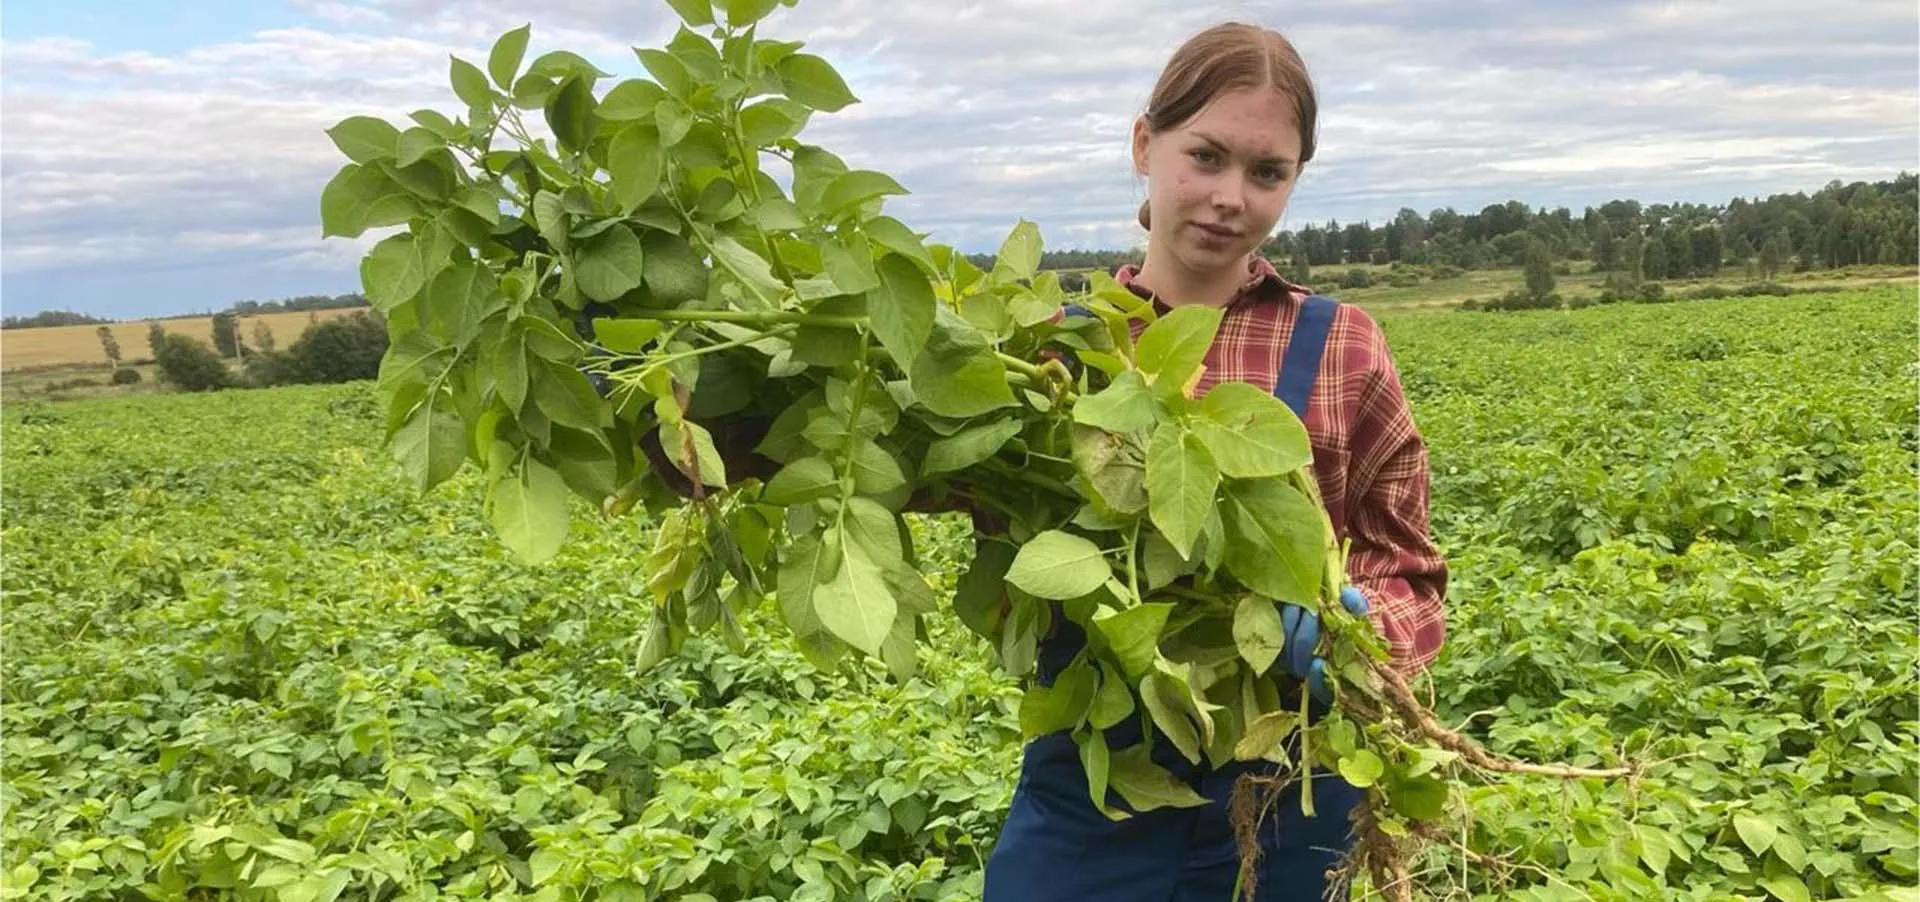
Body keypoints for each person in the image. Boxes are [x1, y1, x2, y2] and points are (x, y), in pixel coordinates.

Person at [977, 21, 1448, 902]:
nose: (1231, 195)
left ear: (1296, 178)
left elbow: (1409, 571)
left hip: (1295, 790)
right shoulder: (1047, 354)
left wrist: (1361, 631)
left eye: (1268, 172)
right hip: (1097, 793)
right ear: (1144, 145)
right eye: (1207, 156)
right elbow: (927, 471)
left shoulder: (1342, 345)